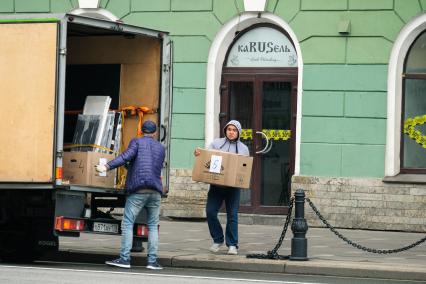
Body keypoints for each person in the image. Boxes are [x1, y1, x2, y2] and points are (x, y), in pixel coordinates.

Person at [96, 120, 165, 270]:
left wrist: (106, 166)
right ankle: (152, 262)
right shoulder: (161, 147)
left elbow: (125, 157)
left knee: (127, 223)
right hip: (155, 191)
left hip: (138, 190)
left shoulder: (137, 142)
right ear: (155, 133)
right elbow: (151, 165)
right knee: (153, 226)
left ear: (141, 130)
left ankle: (124, 258)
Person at [194, 120, 249, 255]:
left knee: (232, 215)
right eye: (229, 129)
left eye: (234, 130)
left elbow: (245, 168)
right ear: (225, 130)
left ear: (238, 132)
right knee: (211, 212)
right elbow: (205, 157)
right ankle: (218, 239)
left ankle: (232, 244)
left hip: (233, 188)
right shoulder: (216, 143)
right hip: (216, 186)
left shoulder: (243, 148)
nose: (231, 132)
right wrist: (198, 153)